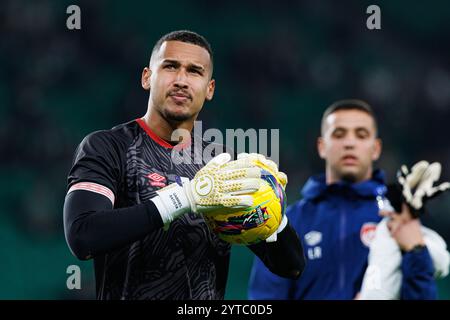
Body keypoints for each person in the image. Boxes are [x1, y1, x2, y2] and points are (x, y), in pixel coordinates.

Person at [63, 30, 305, 300]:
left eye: (194, 71)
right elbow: (83, 237)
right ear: (147, 77)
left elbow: (291, 266)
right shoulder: (108, 146)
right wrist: (184, 198)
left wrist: (274, 208)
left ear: (209, 89)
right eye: (170, 67)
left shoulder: (224, 165)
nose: (181, 80)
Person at [248, 99, 449, 300]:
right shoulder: (289, 220)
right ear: (322, 146)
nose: (349, 143)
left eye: (361, 135)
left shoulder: (396, 220)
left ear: (376, 148)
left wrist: (416, 251)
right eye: (339, 134)